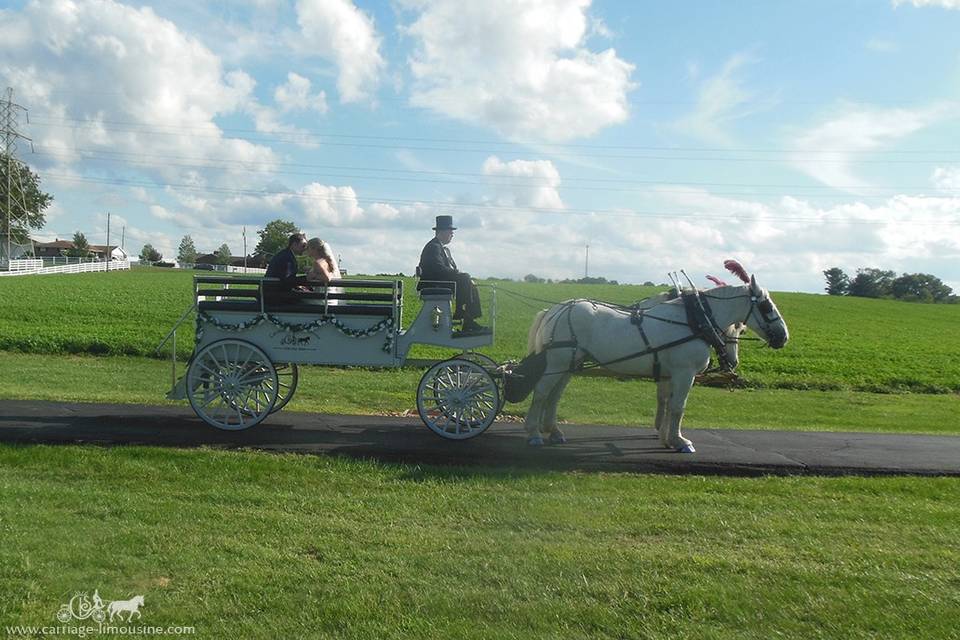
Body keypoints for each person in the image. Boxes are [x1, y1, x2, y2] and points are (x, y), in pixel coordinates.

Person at [417, 215, 486, 333]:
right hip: (433, 283)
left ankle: (467, 318)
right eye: (450, 231)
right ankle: (463, 315)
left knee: (467, 280)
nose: (452, 235)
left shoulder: (441, 248)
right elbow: (438, 269)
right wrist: (459, 274)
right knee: (465, 278)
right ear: (442, 232)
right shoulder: (434, 247)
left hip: (439, 281)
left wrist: (461, 275)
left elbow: (445, 269)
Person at [264, 233, 307, 300]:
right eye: (303, 246)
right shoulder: (287, 258)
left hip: (270, 293)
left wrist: (298, 286)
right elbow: (287, 280)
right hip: (274, 296)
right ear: (294, 244)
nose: (305, 249)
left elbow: (285, 279)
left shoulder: (285, 254)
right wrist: (307, 278)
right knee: (309, 299)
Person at [305, 237, 343, 304]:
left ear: (314, 249)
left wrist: (313, 276)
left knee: (296, 298)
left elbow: (327, 278)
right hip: (330, 299)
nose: (306, 250)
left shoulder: (318, 263)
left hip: (323, 301)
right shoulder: (325, 261)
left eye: (308, 247)